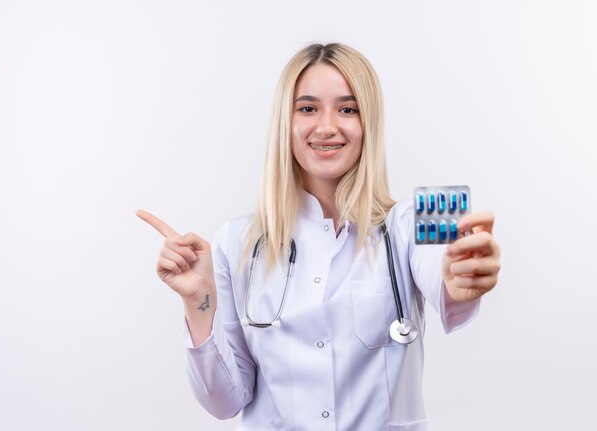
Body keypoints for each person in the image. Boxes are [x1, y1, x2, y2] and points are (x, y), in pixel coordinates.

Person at [137, 43, 500, 430]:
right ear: (285, 122)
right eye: (307, 108)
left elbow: (449, 274)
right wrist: (199, 302)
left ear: (368, 123)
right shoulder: (238, 241)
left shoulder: (411, 222)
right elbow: (225, 402)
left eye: (347, 109)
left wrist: (465, 274)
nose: (326, 126)